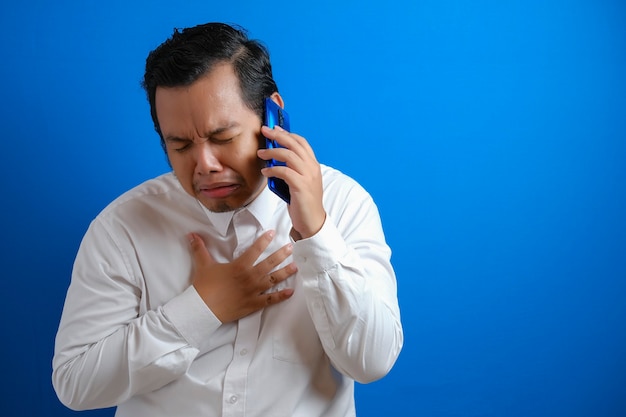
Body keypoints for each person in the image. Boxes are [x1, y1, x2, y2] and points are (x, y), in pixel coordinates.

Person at [52, 22, 403, 417]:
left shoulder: (344, 204)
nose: (204, 165)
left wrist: (316, 233)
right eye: (180, 144)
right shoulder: (123, 228)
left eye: (222, 138)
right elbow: (75, 382)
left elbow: (372, 362)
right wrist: (201, 309)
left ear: (273, 117)